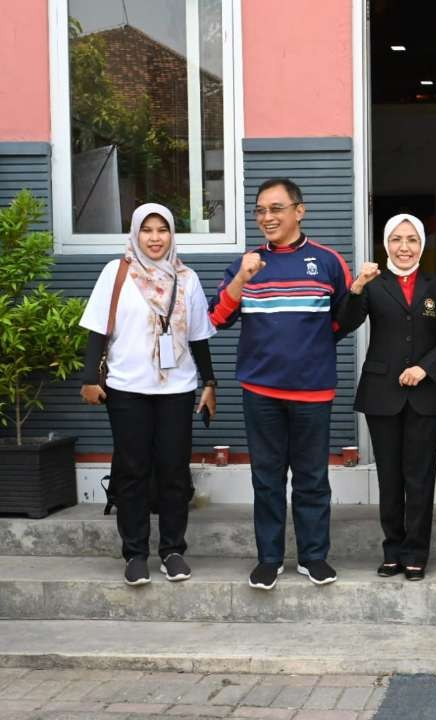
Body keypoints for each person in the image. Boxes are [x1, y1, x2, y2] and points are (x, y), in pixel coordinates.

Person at [209, 178, 353, 591]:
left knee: (311, 479)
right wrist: (242, 278)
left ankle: (313, 557)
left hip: (313, 391)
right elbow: (217, 318)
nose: (267, 218)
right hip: (260, 391)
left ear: (299, 211)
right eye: (260, 211)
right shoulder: (247, 263)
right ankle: (269, 559)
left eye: (276, 209)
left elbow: (343, 319)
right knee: (267, 479)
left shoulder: (327, 261)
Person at [79, 203, 217, 586]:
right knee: (133, 471)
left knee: (174, 470)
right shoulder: (116, 272)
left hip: (177, 388)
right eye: (147, 230)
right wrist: (91, 377)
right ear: (136, 233)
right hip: (127, 388)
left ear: (172, 235)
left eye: (163, 230)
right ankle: (135, 553)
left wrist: (210, 383)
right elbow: (97, 330)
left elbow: (199, 338)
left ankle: (172, 551)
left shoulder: (186, 278)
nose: (155, 238)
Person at [338, 213, 436, 581]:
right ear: (386, 244)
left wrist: (426, 368)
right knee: (390, 478)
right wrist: (357, 285)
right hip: (382, 394)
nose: (404, 247)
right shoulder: (374, 284)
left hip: (426, 395)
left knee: (420, 477)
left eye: (411, 240)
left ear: (422, 245)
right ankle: (392, 550)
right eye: (396, 239)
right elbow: (344, 323)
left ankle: (416, 553)